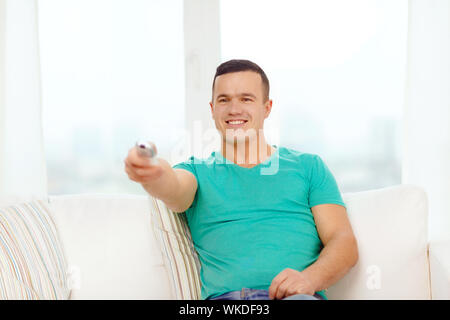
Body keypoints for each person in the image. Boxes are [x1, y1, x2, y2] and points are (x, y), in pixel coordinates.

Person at [124, 59, 358, 300]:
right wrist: (152, 170)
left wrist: (309, 279)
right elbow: (173, 186)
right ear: (212, 108)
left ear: (267, 108)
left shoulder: (309, 167)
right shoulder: (197, 172)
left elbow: (344, 243)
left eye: (246, 99)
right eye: (224, 100)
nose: (234, 109)